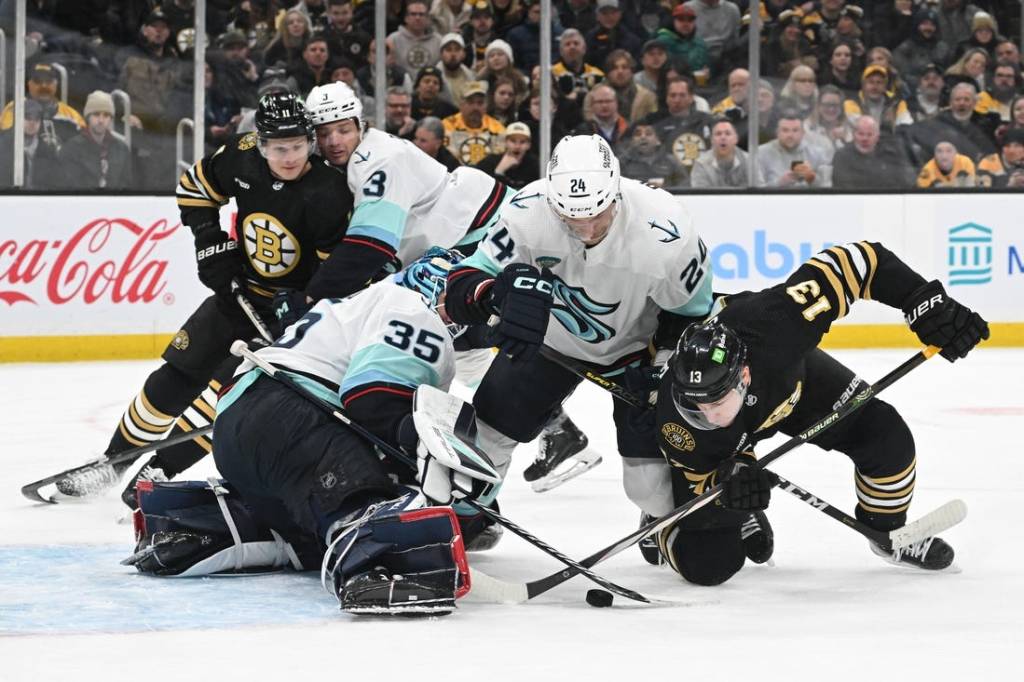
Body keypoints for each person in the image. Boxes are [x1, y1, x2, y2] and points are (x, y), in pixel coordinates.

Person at [129, 251, 494, 617]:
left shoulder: (359, 303)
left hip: (240, 425)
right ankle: (374, 571)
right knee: (369, 503)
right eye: (456, 299)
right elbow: (372, 401)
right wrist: (434, 466)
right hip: (295, 419)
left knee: (305, 532)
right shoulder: (416, 312)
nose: (465, 317)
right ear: (432, 288)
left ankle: (203, 528)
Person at [56, 93, 354, 503]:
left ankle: (155, 473)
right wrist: (210, 244)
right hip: (238, 293)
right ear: (262, 144)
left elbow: (334, 272)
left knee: (222, 394)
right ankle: (113, 463)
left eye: (299, 146)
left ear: (311, 142)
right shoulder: (241, 155)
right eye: (280, 148)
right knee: (172, 379)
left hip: (289, 319)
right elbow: (194, 189)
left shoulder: (329, 191)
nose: (290, 157)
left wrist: (304, 304)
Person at [306, 80, 592, 501]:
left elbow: (370, 247)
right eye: (324, 131)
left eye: (343, 128)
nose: (334, 140)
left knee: (465, 329)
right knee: (462, 341)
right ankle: (558, 429)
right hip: (465, 235)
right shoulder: (354, 161)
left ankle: (549, 423)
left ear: (360, 124)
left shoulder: (376, 159)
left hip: (482, 233)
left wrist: (313, 300)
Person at [652, 242, 989, 586]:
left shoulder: (777, 323)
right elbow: (699, 479)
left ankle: (889, 533)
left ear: (744, 378)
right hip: (722, 444)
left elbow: (860, 261)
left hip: (791, 382)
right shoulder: (677, 419)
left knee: (886, 437)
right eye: (696, 406)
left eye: (715, 402)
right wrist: (729, 488)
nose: (706, 415)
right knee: (709, 564)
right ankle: (663, 522)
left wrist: (922, 300)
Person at [443, 134, 713, 535]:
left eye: (596, 215)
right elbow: (463, 282)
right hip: (550, 344)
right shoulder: (527, 211)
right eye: (571, 217)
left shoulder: (667, 231)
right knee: (485, 437)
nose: (586, 229)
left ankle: (666, 517)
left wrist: (664, 366)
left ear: (615, 194)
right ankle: (465, 524)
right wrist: (494, 293)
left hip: (636, 352)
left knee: (649, 490)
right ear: (552, 200)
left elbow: (695, 316)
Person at [57, 91, 133, 190]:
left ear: (111, 119)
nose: (101, 120)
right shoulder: (71, 148)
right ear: (88, 117)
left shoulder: (121, 148)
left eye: (106, 115)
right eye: (96, 115)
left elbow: (126, 185)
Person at [650, 78, 714, 173]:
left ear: (692, 97)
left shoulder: (708, 121)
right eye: (673, 95)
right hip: (671, 175)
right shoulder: (657, 125)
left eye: (682, 95)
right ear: (667, 98)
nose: (677, 100)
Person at [832, 115, 913, 189]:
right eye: (860, 134)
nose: (864, 139)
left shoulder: (892, 153)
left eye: (869, 134)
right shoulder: (842, 156)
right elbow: (844, 187)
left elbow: (906, 181)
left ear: (877, 136)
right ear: (854, 135)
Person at [757, 112, 832, 188]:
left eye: (795, 130)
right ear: (777, 133)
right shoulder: (761, 153)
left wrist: (812, 178)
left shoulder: (818, 154)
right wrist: (779, 183)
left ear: (803, 133)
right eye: (785, 130)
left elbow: (827, 186)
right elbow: (756, 190)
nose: (790, 135)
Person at [443, 80, 507, 164]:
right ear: (461, 105)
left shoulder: (498, 128)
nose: (475, 107)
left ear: (486, 106)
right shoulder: (447, 125)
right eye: (470, 102)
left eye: (480, 103)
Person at [0, 99, 60, 188]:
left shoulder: (48, 151)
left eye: (37, 118)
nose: (32, 123)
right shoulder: (2, 146)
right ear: (17, 118)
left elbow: (53, 184)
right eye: (27, 117)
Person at [690, 117, 759, 188]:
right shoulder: (701, 164)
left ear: (736, 139)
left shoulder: (749, 161)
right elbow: (700, 196)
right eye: (718, 134)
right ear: (711, 140)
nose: (723, 137)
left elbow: (759, 191)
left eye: (728, 133)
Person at [616, 121, 688, 190]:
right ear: (632, 141)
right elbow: (617, 188)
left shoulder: (671, 161)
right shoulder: (623, 162)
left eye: (648, 134)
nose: (643, 137)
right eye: (638, 134)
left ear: (658, 140)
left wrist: (665, 188)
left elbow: (685, 185)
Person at [473, 121, 539, 189]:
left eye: (522, 142)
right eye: (513, 141)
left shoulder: (536, 165)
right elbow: (481, 187)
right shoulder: (489, 162)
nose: (517, 146)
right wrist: (499, 171)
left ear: (529, 145)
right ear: (505, 142)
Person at [387, 1, 442, 75]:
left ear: (428, 18)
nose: (417, 18)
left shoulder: (438, 40)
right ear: (406, 18)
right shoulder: (393, 39)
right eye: (413, 14)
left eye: (421, 14)